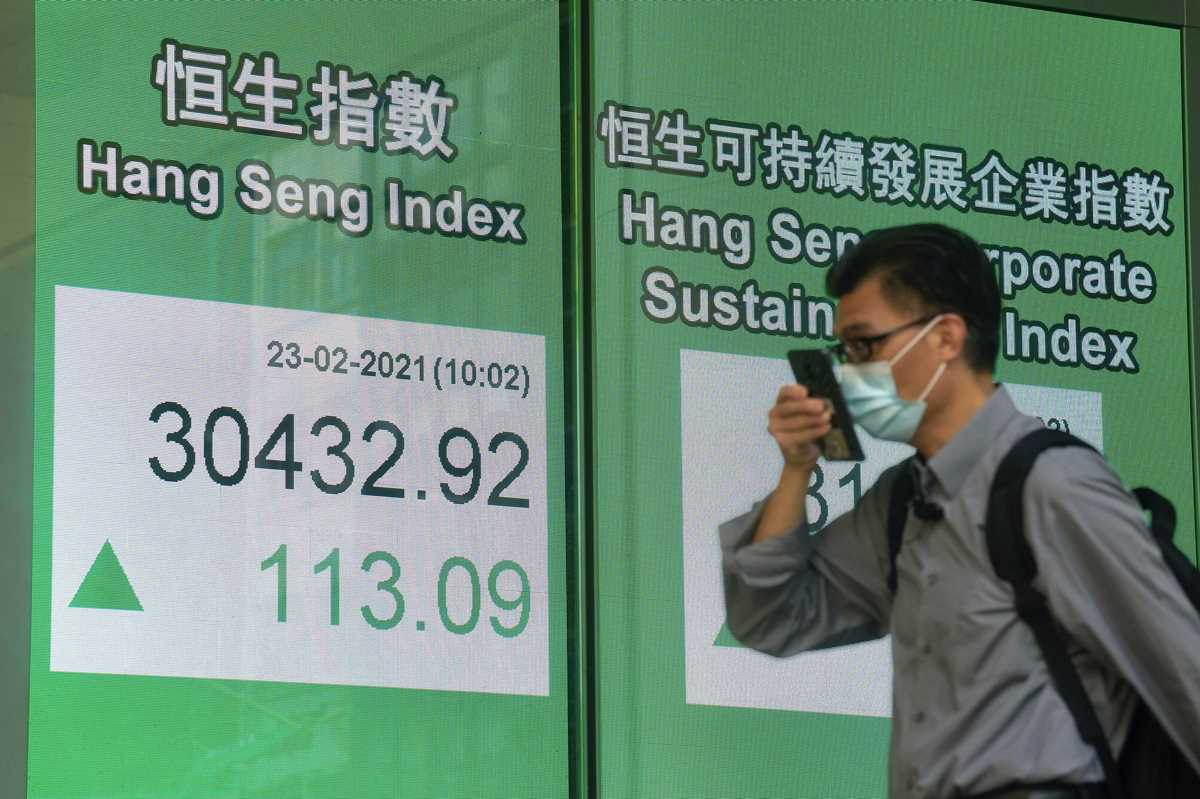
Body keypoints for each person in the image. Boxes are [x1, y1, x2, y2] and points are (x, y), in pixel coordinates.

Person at [719, 223, 1200, 799]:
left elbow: (1184, 671)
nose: (847, 373)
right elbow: (772, 617)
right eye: (841, 352)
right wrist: (797, 469)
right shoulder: (902, 501)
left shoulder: (1051, 484)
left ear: (945, 337)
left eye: (864, 346)